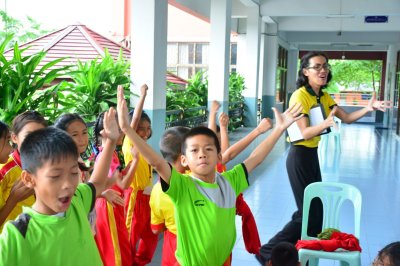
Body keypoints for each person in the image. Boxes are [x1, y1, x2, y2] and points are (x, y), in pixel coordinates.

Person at [117, 86, 303, 265]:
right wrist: (127, 129)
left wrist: (279, 129)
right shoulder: (182, 186)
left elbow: (256, 158)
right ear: (183, 160)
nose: (202, 154)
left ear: (219, 156)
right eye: (194, 150)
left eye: (208, 149)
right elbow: (157, 162)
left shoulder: (230, 181)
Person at [257, 51, 392, 264]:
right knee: (309, 213)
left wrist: (367, 108)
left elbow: (346, 117)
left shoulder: (323, 96)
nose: (323, 70)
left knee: (313, 211)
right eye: (317, 67)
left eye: (325, 66)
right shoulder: (300, 95)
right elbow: (303, 132)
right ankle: (268, 252)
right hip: (299, 156)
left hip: (311, 156)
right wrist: (324, 124)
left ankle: (298, 253)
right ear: (305, 71)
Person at [0, 108, 119, 265]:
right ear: (28, 179)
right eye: (55, 176)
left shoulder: (77, 201)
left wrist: (110, 141)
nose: (68, 185)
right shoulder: (16, 234)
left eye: (73, 173)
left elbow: (97, 183)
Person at [93, 106, 139, 266]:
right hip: (109, 206)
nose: (122, 133)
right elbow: (124, 184)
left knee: (116, 245)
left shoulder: (108, 153)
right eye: (119, 129)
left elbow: (117, 178)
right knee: (115, 250)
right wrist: (136, 162)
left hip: (111, 204)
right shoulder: (109, 156)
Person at [122, 85, 159, 266]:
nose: (144, 132)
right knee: (130, 238)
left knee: (151, 236)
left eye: (147, 128)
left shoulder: (146, 147)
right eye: (140, 128)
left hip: (148, 198)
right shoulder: (129, 142)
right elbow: (134, 120)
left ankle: (138, 263)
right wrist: (143, 96)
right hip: (134, 198)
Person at [0, 111, 48, 231]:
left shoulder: (48, 164)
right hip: (13, 239)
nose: (36, 142)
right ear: (14, 138)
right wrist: (13, 199)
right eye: (29, 136)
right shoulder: (5, 169)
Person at [150, 126, 190, 266]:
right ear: (183, 156)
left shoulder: (157, 189)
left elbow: (156, 229)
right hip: (201, 242)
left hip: (173, 246)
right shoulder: (201, 180)